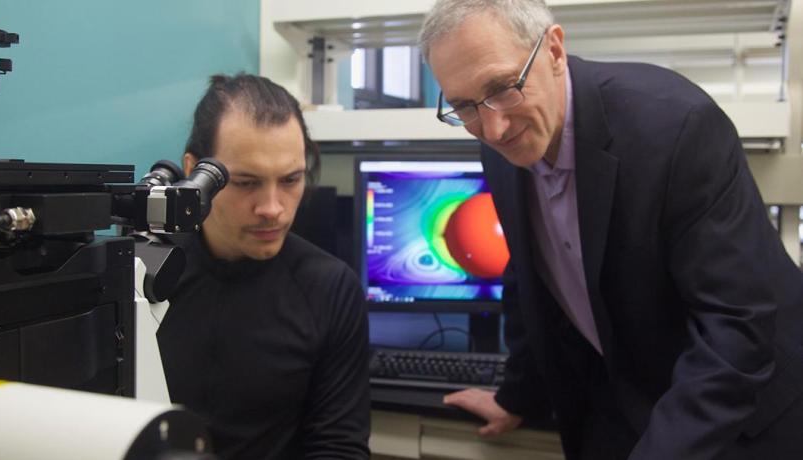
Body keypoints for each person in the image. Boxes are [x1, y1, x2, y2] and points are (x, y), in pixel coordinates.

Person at [418, 1, 803, 459]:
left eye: (504, 88)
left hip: (741, 414)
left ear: (555, 51)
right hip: (626, 397)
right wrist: (517, 397)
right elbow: (529, 278)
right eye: (464, 105)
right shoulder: (502, 145)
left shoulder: (676, 126)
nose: (494, 127)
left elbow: (737, 328)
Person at [156, 73, 370, 460]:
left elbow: (338, 448)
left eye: (291, 179)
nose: (272, 208)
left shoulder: (330, 288)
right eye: (245, 183)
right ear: (195, 172)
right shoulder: (143, 275)